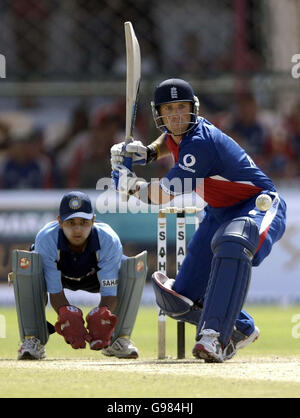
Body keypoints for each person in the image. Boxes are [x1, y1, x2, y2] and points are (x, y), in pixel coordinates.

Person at [110, 78, 287, 363]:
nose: (177, 115)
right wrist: (151, 152)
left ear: (194, 110)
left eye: (183, 108)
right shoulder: (177, 136)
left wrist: (131, 187)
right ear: (160, 115)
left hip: (257, 204)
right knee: (179, 300)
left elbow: (164, 195)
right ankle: (242, 329)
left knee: (232, 242)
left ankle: (215, 337)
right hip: (219, 211)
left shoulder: (200, 143)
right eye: (169, 110)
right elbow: (169, 140)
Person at [13, 191, 147, 360]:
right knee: (26, 265)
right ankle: (32, 340)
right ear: (60, 222)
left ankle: (118, 339)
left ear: (93, 221)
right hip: (60, 276)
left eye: (84, 222)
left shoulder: (108, 239)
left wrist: (102, 315)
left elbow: (109, 294)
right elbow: (56, 293)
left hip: (94, 278)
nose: (77, 229)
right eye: (71, 222)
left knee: (132, 267)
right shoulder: (47, 238)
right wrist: (66, 314)